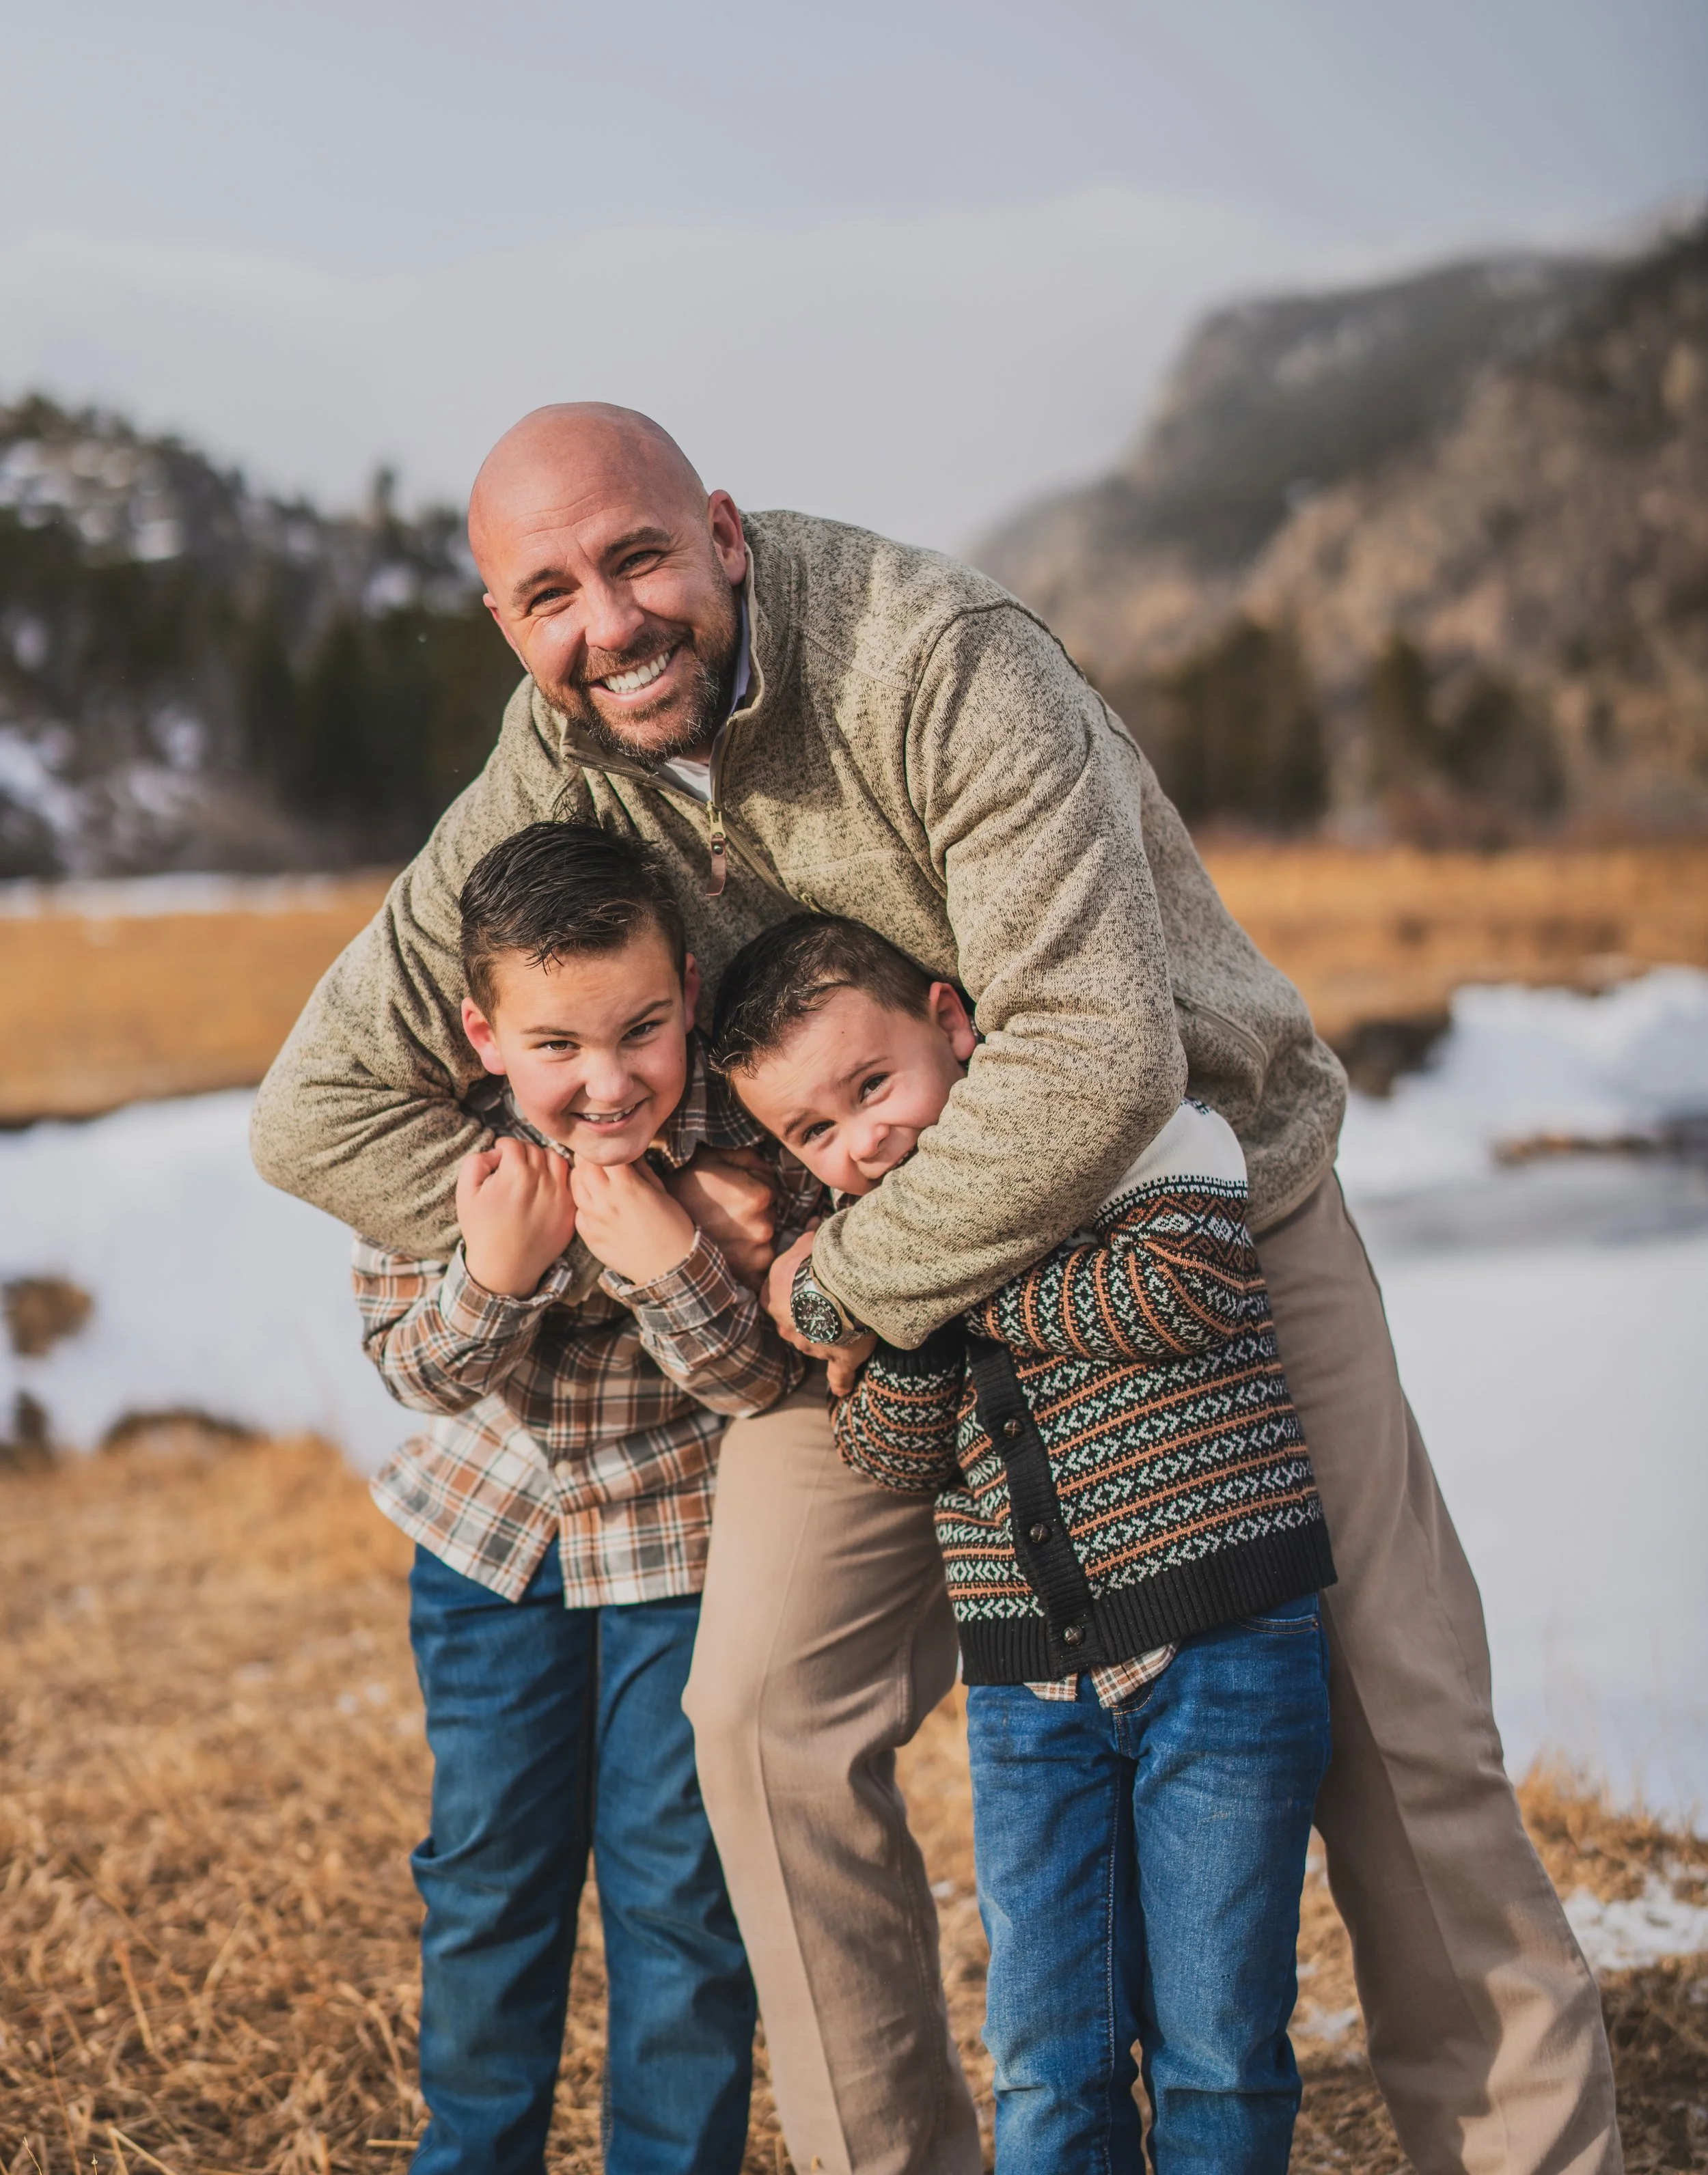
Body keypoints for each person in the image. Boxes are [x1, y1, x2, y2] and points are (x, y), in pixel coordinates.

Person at [252, 402, 1620, 2175]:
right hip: (873, 1288)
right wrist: (654, 1205)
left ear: (723, 536)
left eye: (638, 558)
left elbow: (1094, 1060)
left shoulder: (934, 659)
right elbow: (319, 1113)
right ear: (506, 629)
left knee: (1389, 1717)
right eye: (546, 597)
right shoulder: (548, 767)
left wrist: (826, 1284)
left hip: (1178, 1210)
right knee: (754, 1714)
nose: (607, 622)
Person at [712, 909, 1338, 2167]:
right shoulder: (876, 1260)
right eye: (817, 1134)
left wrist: (929, 1284)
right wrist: (897, 1327)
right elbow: (895, 1454)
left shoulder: (1116, 1130)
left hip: (1222, 1647)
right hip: (1029, 1696)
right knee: (1051, 2058)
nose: (865, 1143)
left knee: (1219, 2046)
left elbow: (1189, 1288)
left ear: (953, 1027)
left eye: (875, 1085)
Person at [351, 820, 810, 2175]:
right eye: (556, 1046)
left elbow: (752, 1377)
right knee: (490, 1875)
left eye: (642, 1029)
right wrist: (501, 1269)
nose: (607, 1082)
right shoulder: (431, 1145)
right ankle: (472, 2154)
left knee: (681, 1892)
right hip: (489, 1552)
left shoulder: (742, 1138)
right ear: (483, 1034)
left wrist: (670, 1255)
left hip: (681, 1548)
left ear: (686, 987)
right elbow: (411, 1368)